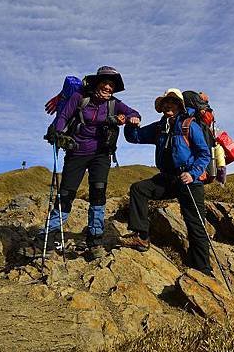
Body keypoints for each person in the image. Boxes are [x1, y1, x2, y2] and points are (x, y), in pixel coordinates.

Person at [34, 66, 141, 260]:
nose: (108, 87)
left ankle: (95, 240)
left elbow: (135, 113)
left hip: (101, 155)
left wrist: (133, 117)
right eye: (105, 83)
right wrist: (58, 133)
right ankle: (47, 238)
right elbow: (64, 116)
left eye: (111, 85)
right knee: (66, 194)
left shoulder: (115, 104)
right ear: (96, 83)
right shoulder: (79, 97)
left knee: (98, 195)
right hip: (76, 152)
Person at [122, 88, 213, 276]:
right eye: (165, 103)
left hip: (188, 180)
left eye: (172, 102)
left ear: (180, 105)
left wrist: (193, 173)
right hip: (167, 178)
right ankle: (142, 236)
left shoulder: (190, 125)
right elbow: (135, 137)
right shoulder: (159, 127)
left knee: (195, 223)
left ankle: (202, 268)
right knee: (139, 189)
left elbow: (204, 154)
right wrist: (131, 125)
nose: (168, 105)